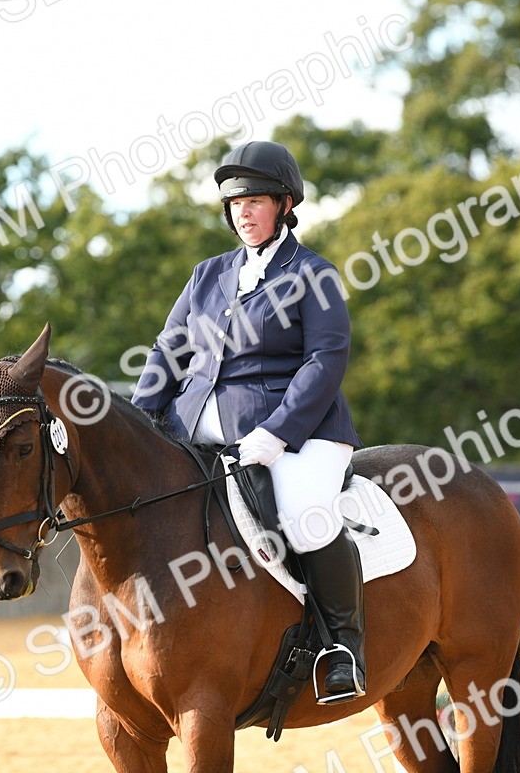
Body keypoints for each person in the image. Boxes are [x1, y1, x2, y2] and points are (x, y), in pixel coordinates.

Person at [131, 140, 367, 703]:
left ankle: (342, 647)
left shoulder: (314, 274)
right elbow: (169, 352)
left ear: (286, 204)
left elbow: (326, 359)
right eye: (235, 203)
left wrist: (277, 432)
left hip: (300, 433)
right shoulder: (208, 275)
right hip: (199, 434)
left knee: (306, 514)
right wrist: (141, 421)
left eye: (256, 201)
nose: (243, 212)